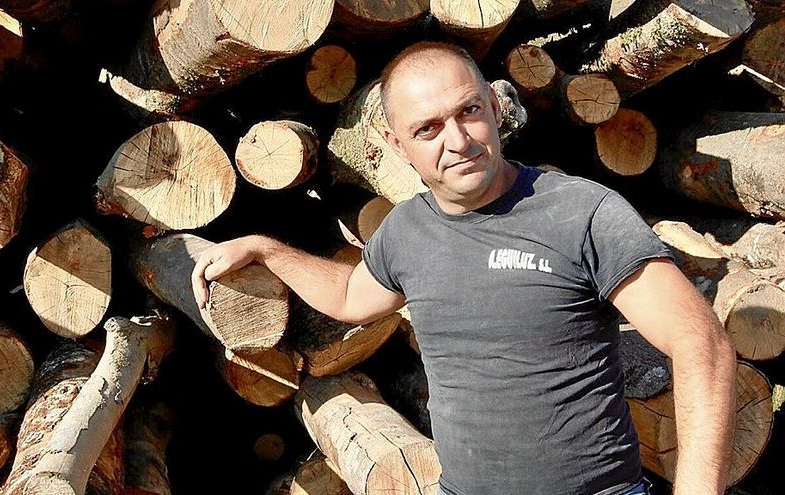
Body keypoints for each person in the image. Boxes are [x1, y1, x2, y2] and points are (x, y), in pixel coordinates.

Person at [191, 42, 736, 495]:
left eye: (469, 111)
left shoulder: (581, 212)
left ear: (496, 111)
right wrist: (265, 248)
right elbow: (350, 296)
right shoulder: (406, 231)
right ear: (396, 145)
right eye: (428, 129)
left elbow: (700, 344)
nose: (458, 141)